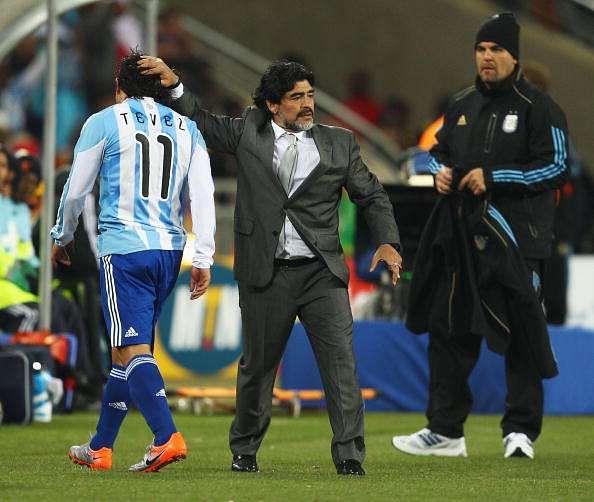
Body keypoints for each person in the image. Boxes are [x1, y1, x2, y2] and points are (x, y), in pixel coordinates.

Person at [138, 57, 402, 475]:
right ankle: (244, 450)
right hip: (267, 271)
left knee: (341, 366)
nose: (307, 104)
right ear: (273, 105)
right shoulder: (248, 132)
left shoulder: (340, 143)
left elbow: (372, 195)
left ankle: (350, 457)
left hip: (321, 273)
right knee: (258, 369)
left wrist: (387, 242)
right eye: (296, 97)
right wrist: (174, 87)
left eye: (310, 95)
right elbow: (202, 121)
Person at [392, 13, 568, 460]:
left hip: (519, 240)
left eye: (496, 50)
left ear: (514, 57)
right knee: (448, 328)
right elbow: (436, 154)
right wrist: (442, 174)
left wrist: (494, 177)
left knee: (522, 332)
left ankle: (520, 432)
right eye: (481, 49)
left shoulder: (539, 108)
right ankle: (445, 430)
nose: (487, 57)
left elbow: (555, 167)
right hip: (462, 238)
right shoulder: (462, 104)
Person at [51, 49, 216, 472]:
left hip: (124, 249)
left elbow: (75, 191)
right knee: (126, 353)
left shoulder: (104, 121)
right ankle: (101, 447)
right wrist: (204, 255)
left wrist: (62, 236)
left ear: (118, 87)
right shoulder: (188, 129)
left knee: (131, 346)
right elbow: (203, 195)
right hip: (169, 252)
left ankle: (167, 437)